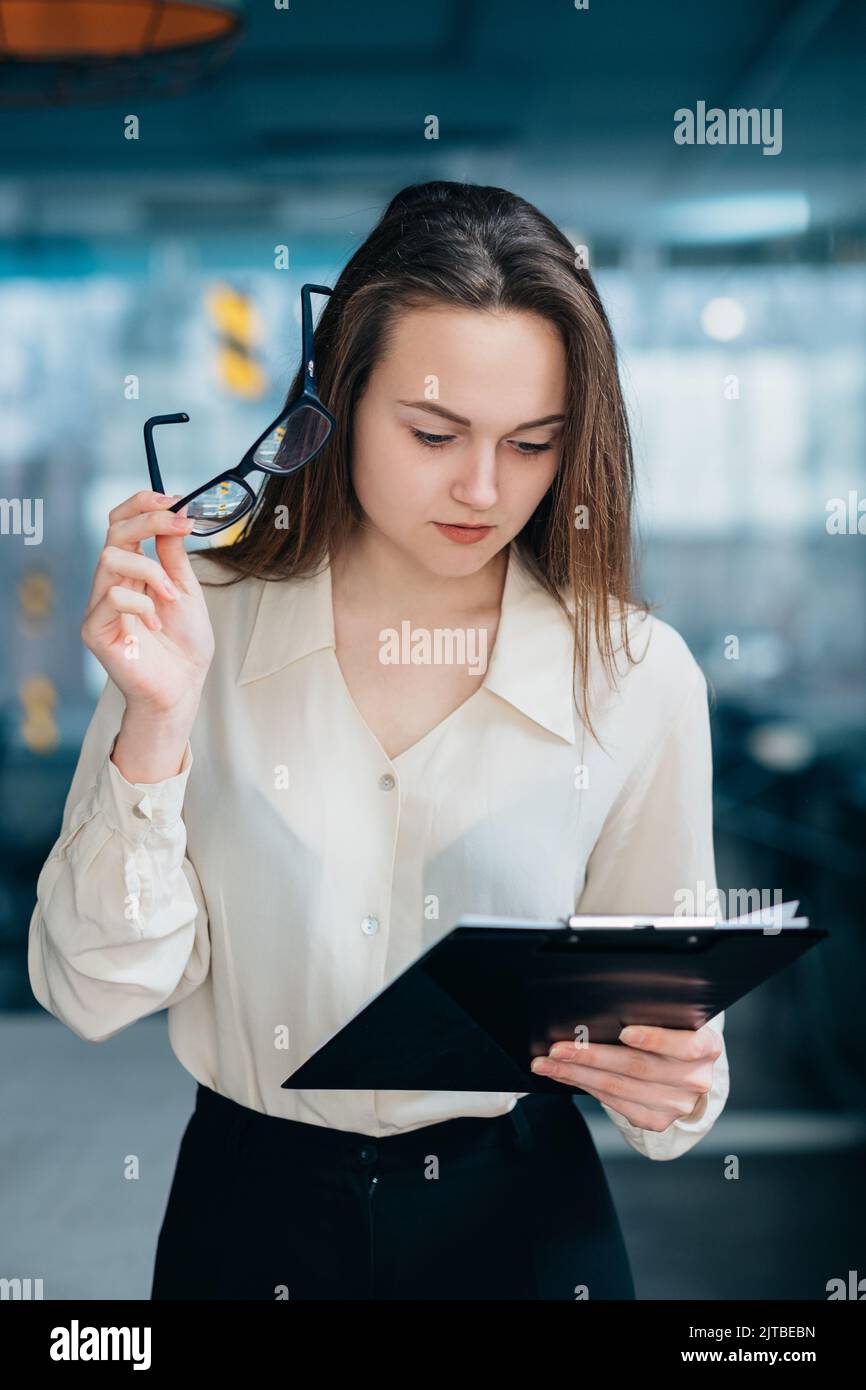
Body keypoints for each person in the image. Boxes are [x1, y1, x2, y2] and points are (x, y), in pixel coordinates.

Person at [28, 180, 729, 1301]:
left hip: (523, 1222)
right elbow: (96, 991)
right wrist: (157, 725)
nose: (484, 488)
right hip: (249, 1214)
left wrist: (679, 1085)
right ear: (337, 400)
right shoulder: (194, 622)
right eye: (433, 433)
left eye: (534, 443)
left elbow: (669, 1045)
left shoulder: (638, 675)